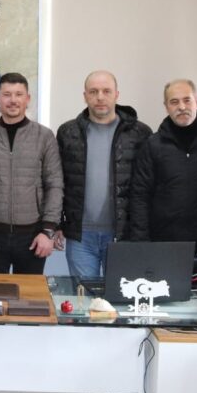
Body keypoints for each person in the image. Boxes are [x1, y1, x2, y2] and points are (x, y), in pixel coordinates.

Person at [55, 71, 151, 280]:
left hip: (122, 235)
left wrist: (141, 231)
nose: (100, 97)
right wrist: (58, 223)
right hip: (81, 237)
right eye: (93, 91)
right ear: (85, 96)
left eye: (106, 91)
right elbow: (58, 181)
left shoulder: (140, 133)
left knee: (120, 295)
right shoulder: (68, 132)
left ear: (117, 94)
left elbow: (148, 186)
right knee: (83, 297)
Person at [0, 73, 63, 274]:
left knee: (29, 293)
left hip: (34, 236)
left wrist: (48, 230)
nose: (13, 100)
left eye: (19, 94)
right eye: (7, 94)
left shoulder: (44, 136)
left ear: (27, 99)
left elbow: (54, 184)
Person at [129, 79, 197, 261]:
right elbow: (140, 195)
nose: (181, 107)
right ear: (166, 106)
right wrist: (141, 242)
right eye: (174, 102)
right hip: (166, 244)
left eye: (187, 100)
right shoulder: (153, 145)